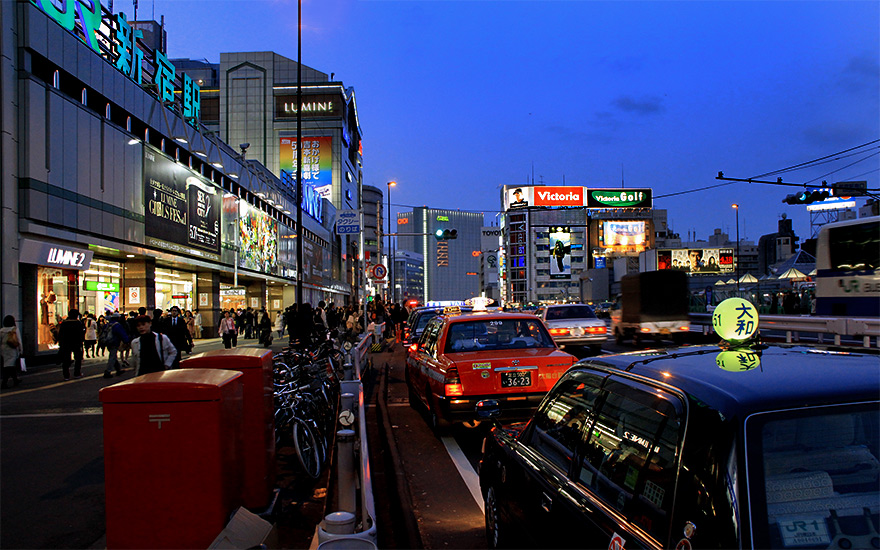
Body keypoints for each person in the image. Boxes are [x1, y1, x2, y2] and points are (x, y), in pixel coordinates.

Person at [57, 310, 85, 380]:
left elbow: (60, 334)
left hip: (66, 343)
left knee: (66, 359)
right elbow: (81, 334)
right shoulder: (78, 323)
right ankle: (77, 373)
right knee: (78, 358)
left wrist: (60, 343)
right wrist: (81, 341)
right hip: (76, 343)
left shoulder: (64, 323)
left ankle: (66, 375)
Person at [102, 314, 131, 378]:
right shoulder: (117, 325)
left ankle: (118, 369)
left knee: (113, 356)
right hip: (114, 342)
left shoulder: (107, 325)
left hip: (107, 342)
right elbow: (122, 334)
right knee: (112, 356)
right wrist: (126, 341)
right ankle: (108, 371)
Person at [1, 315, 23, 389]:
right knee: (10, 366)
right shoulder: (14, 330)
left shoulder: (1, 330)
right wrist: (21, 350)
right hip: (12, 349)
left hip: (4, 349)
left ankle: (15, 379)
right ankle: (4, 382)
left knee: (8, 364)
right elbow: (19, 341)